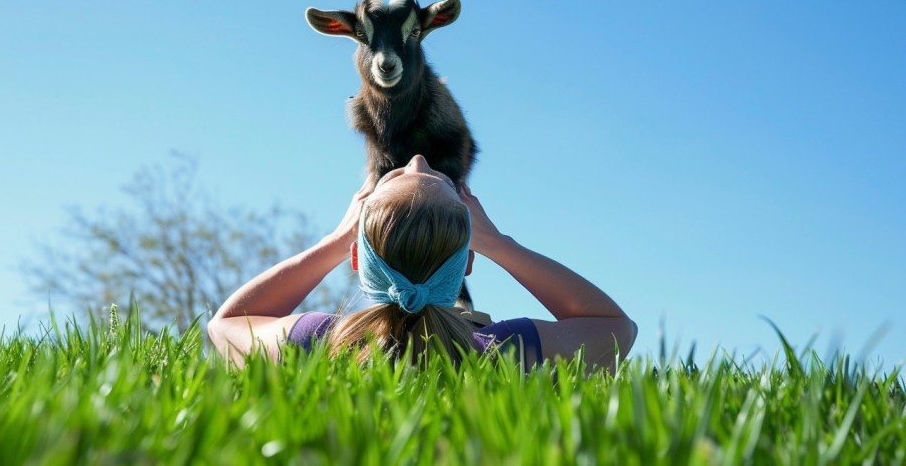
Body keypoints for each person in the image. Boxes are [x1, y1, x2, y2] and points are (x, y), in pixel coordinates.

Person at [208, 155, 637, 370]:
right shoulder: (501, 352)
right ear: (469, 261)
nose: (416, 159)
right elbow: (615, 327)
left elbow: (228, 324)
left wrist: (333, 242)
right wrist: (501, 243)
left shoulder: (320, 342)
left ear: (357, 259)